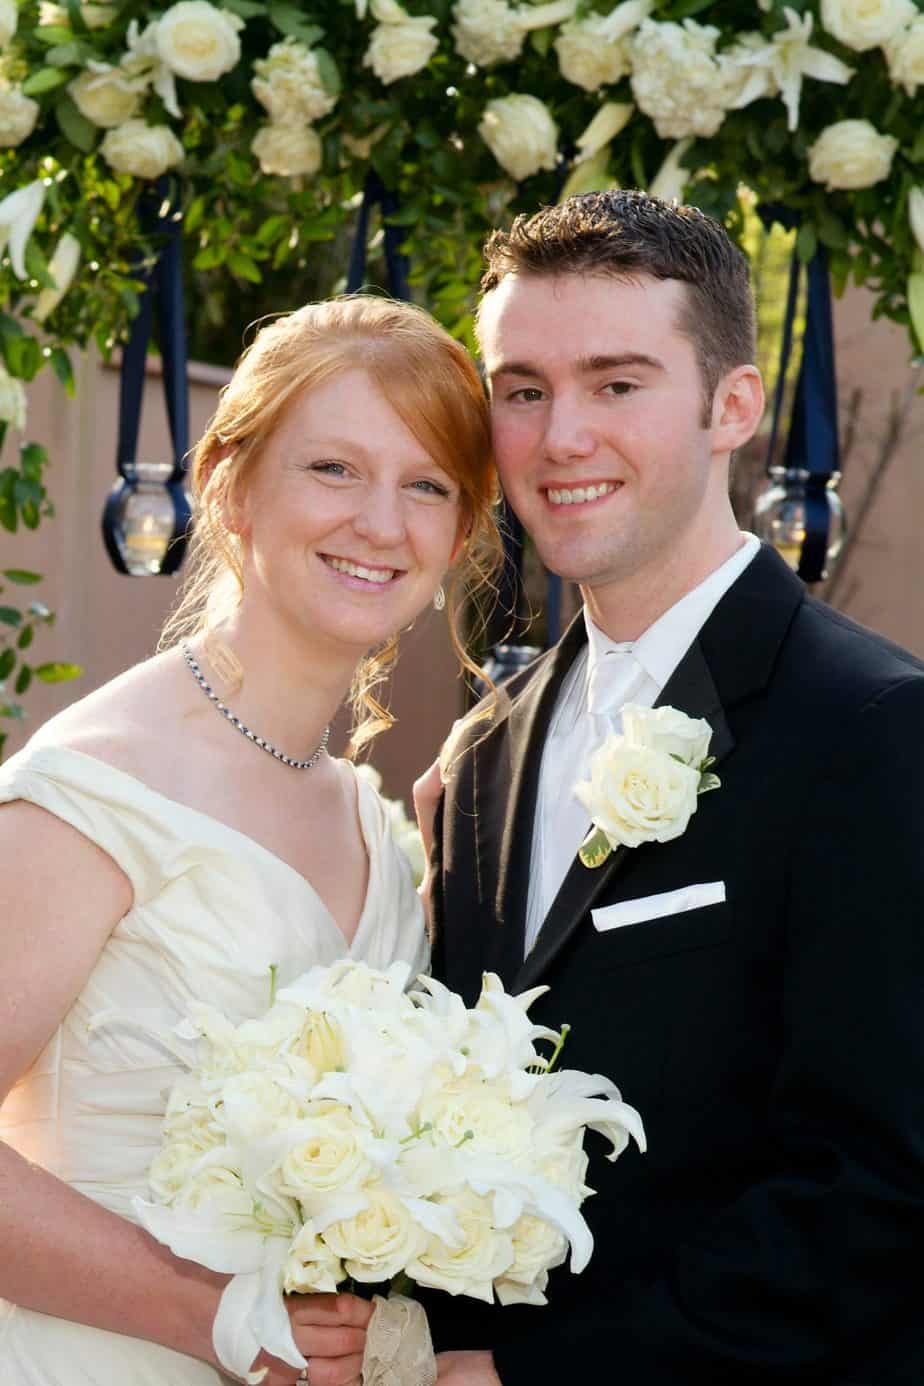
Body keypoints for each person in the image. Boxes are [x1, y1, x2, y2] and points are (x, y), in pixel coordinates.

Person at [417, 191, 924, 1384]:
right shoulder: (487, 750)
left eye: (617, 384)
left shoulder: (872, 727)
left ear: (731, 407)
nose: (560, 437)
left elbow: (883, 1184)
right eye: (523, 389)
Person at [0, 294, 499, 1385]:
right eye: (334, 469)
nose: (383, 522)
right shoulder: (98, 787)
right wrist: (210, 1316)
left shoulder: (376, 820)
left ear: (458, 534)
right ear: (228, 485)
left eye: (427, 486)